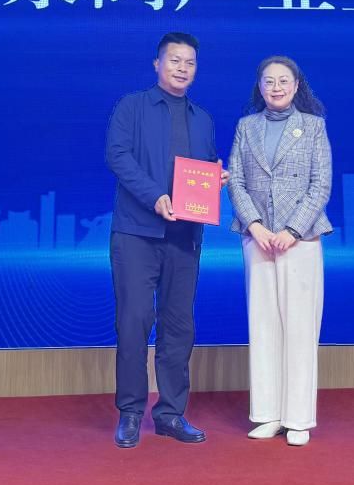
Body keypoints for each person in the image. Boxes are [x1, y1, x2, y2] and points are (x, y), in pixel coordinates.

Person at [105, 32, 219, 448]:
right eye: (174, 60)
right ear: (157, 64)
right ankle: (131, 412)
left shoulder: (203, 119)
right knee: (134, 320)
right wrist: (155, 196)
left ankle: (170, 413)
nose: (182, 68)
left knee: (178, 325)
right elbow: (118, 156)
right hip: (136, 232)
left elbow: (201, 171)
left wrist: (214, 178)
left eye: (190, 62)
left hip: (184, 237)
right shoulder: (131, 106)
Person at [225, 55, 332, 447]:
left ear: (297, 85)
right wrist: (255, 226)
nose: (276, 87)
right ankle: (268, 414)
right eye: (268, 81)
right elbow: (235, 180)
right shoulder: (246, 126)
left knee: (300, 327)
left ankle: (298, 418)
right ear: (260, 86)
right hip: (257, 238)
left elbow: (321, 185)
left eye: (283, 80)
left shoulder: (314, 127)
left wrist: (291, 230)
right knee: (263, 325)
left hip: (299, 241)